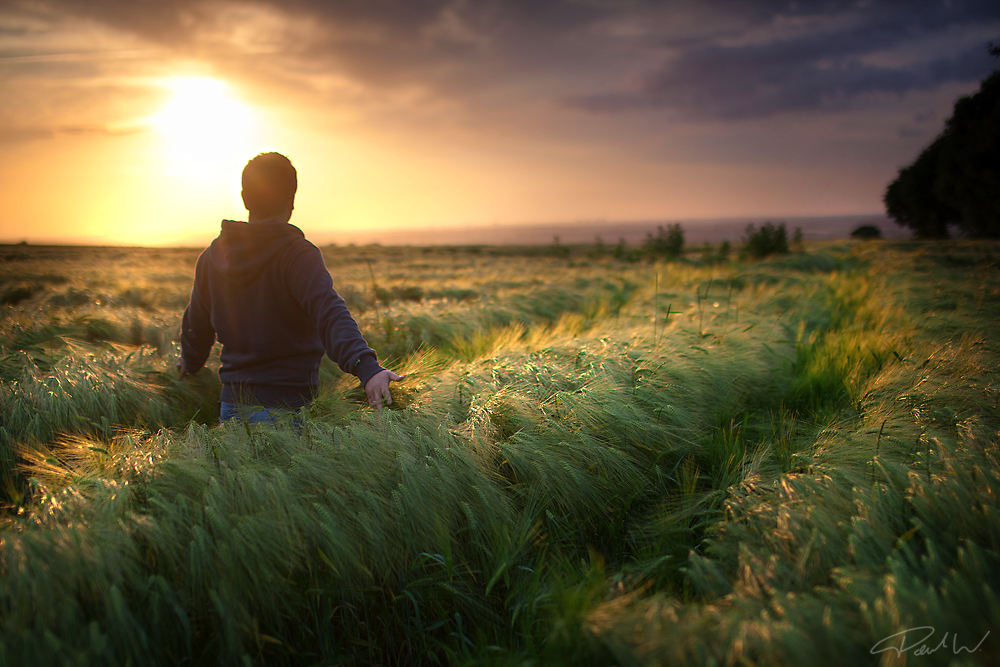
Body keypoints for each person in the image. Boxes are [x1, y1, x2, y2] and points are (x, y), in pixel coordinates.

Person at [178, 152, 401, 423]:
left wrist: (189, 365)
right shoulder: (296, 254)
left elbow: (196, 326)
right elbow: (329, 312)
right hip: (288, 410)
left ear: (244, 198)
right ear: (292, 201)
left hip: (232, 408)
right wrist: (367, 369)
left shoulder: (212, 258)